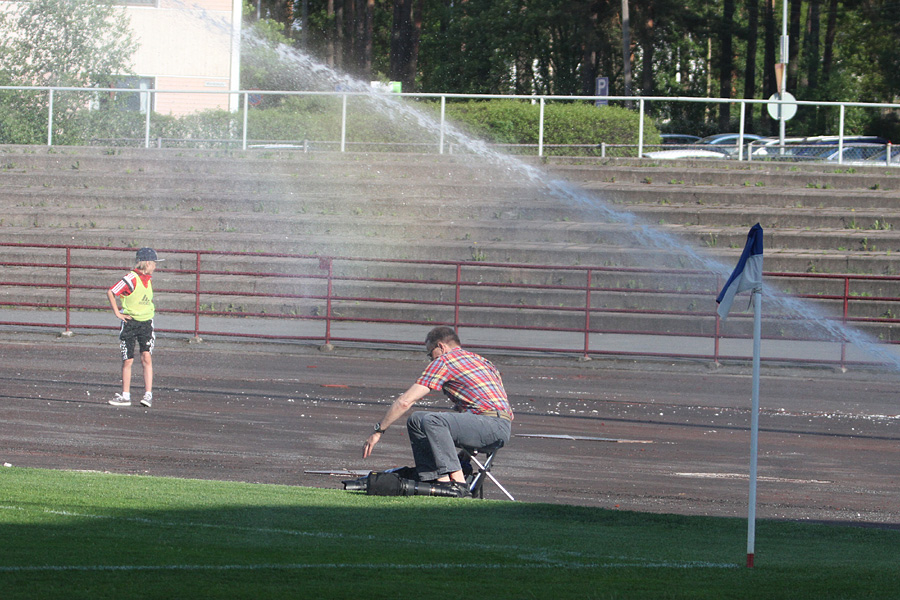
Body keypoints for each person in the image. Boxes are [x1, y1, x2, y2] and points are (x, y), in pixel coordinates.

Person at [363, 326, 513, 497]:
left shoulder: (445, 361)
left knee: (433, 420)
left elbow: (405, 401)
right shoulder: (482, 361)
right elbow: (491, 409)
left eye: (429, 353)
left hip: (490, 425)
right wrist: (467, 451)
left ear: (441, 347)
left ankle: (457, 484)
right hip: (499, 426)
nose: (430, 359)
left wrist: (378, 430)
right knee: (417, 419)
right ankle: (433, 479)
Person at [107, 247, 162, 408]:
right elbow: (111, 292)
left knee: (146, 357)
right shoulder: (131, 278)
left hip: (146, 323)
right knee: (128, 360)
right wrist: (118, 313)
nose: (155, 267)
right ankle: (125, 395)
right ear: (147, 263)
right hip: (130, 322)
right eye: (154, 263)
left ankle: (148, 394)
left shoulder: (148, 279)